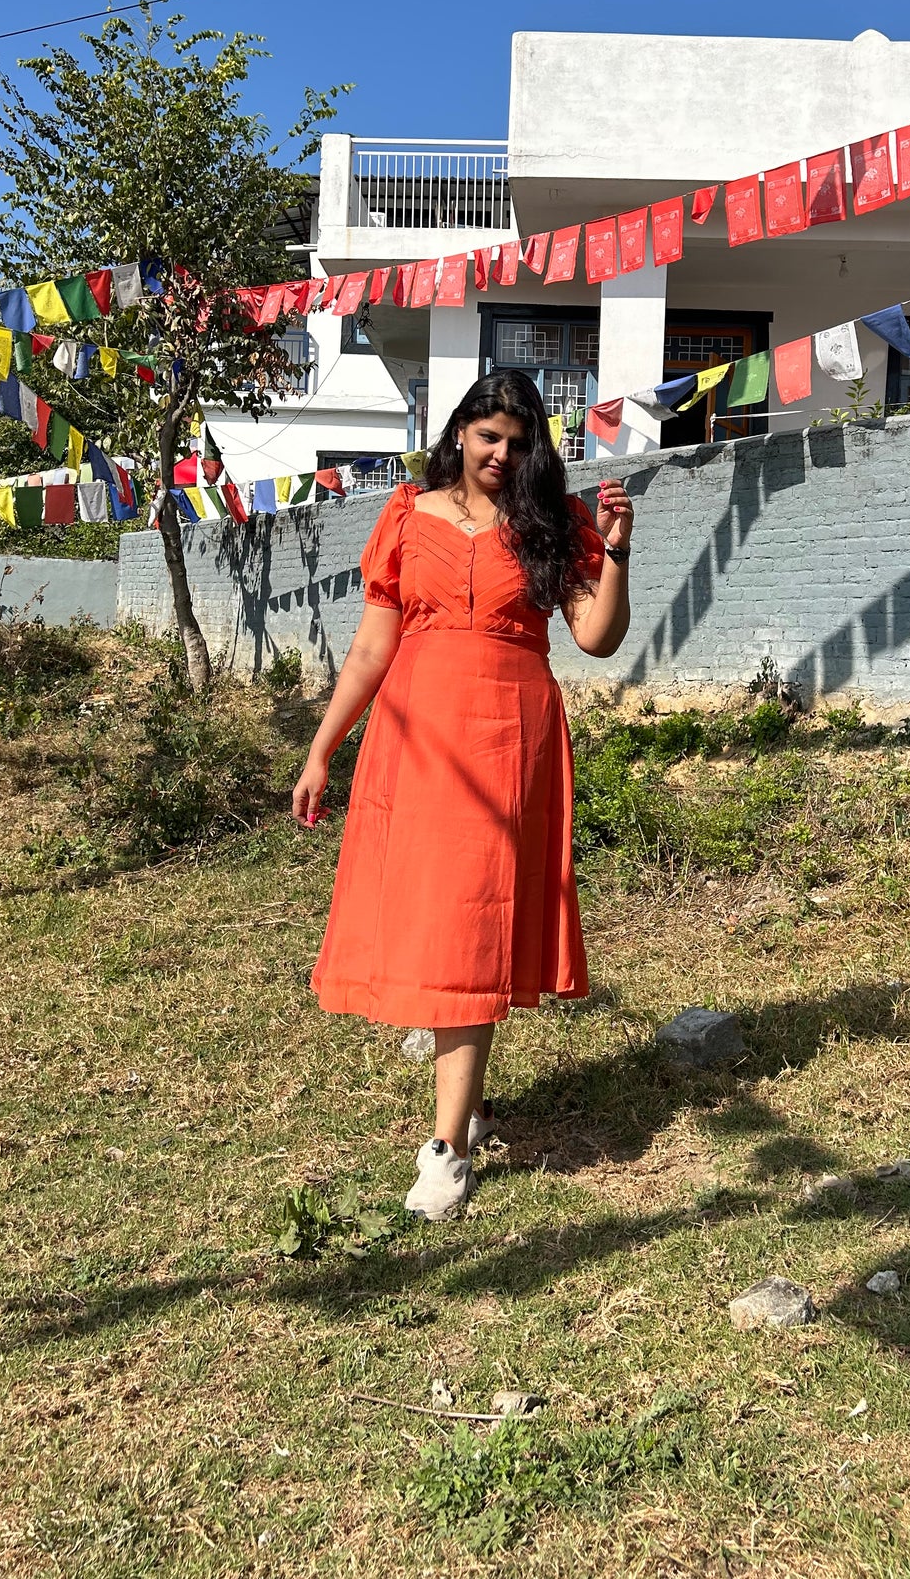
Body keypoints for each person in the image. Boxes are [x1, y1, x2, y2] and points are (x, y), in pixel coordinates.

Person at [293, 370, 634, 1221]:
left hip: (509, 738)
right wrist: (321, 746)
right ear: (459, 434)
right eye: (488, 437)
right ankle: (467, 1112)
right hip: (417, 739)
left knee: (471, 924)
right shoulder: (407, 513)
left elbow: (595, 637)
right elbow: (372, 648)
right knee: (442, 920)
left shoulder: (551, 521)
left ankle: (446, 1148)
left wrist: (619, 549)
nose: (501, 454)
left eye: (518, 443)